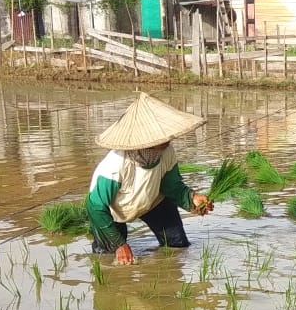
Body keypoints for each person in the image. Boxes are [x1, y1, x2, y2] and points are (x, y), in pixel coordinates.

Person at [87, 92, 213, 265]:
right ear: (147, 140)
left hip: (153, 201)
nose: (170, 139)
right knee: (108, 258)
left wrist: (193, 199)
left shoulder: (166, 152)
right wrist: (119, 244)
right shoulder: (115, 165)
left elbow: (173, 186)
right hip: (112, 212)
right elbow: (95, 208)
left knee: (177, 246)